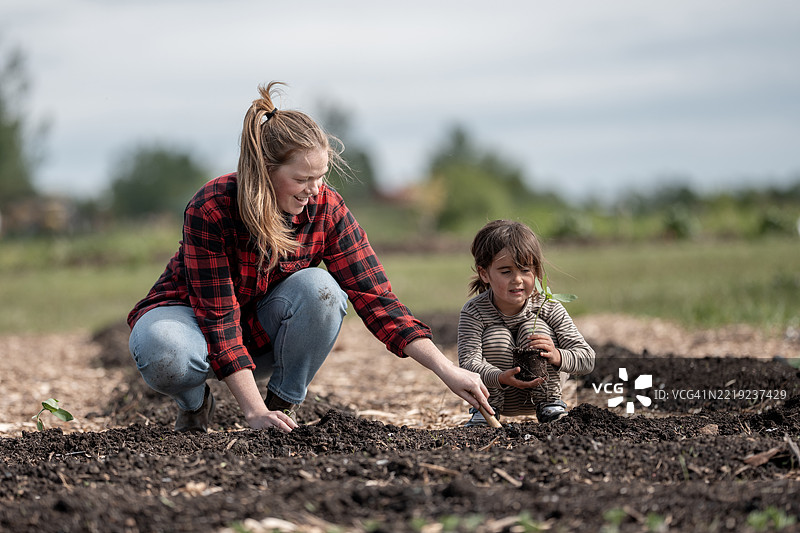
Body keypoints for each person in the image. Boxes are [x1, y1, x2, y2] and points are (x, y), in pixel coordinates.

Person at [127, 82, 493, 433]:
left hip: (258, 328)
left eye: (321, 176)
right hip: (192, 321)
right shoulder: (212, 208)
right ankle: (194, 406)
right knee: (165, 350)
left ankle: (281, 409)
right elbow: (219, 318)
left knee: (323, 290)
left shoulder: (325, 208)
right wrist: (251, 411)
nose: (315, 189)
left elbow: (376, 298)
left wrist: (446, 369)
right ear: (265, 170)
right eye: (303, 178)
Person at [458, 219, 595, 426]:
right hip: (497, 395)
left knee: (538, 330)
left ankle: (550, 405)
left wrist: (557, 355)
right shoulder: (474, 312)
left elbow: (587, 358)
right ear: (484, 273)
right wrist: (500, 377)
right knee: (497, 335)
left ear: (537, 271)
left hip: (543, 394)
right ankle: (487, 412)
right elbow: (468, 364)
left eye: (525, 270)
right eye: (506, 271)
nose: (518, 280)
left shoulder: (548, 307)